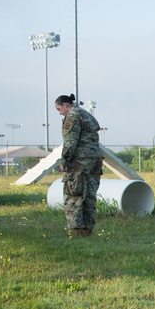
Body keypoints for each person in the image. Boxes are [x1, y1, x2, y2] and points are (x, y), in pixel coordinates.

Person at [54, 94, 103, 238]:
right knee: (89, 195)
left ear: (65, 104)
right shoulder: (86, 114)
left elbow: (70, 141)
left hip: (80, 162)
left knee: (73, 195)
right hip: (95, 159)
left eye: (59, 109)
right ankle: (88, 230)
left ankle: (76, 232)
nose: (60, 113)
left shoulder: (72, 116)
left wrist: (65, 161)